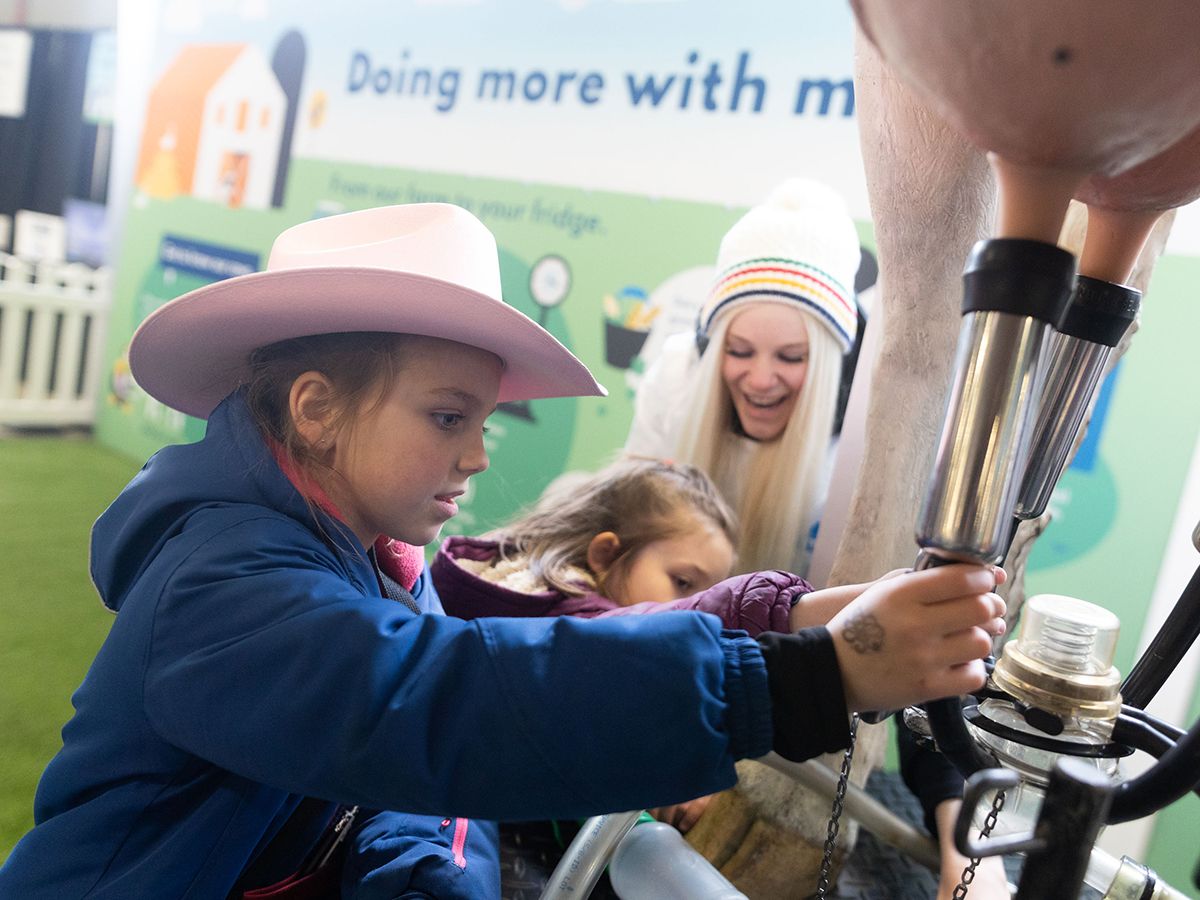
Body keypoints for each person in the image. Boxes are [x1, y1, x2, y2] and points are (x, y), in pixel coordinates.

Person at [0, 203, 1006, 899]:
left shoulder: (370, 559)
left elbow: (410, 776)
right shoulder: (218, 589)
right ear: (316, 412)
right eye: (447, 415)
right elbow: (439, 707)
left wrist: (775, 620)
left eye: (486, 420)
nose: (479, 452)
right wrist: (792, 679)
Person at [432, 455, 904, 835]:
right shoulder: (560, 619)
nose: (691, 601)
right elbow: (625, 664)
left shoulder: (502, 582)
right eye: (682, 582)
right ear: (606, 553)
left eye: (703, 588)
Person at [625, 177, 861, 576]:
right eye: (739, 351)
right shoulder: (677, 378)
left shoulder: (865, 432)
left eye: (790, 357)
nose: (760, 379)